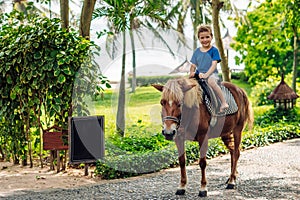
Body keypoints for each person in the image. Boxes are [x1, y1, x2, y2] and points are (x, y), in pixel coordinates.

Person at [189, 25, 229, 112]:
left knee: (211, 81)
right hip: (199, 75)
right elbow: (193, 65)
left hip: (212, 74)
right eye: (202, 38)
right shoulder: (197, 52)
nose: (205, 40)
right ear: (199, 39)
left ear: (211, 37)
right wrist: (191, 73)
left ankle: (223, 102)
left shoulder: (214, 50)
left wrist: (207, 74)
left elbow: (214, 64)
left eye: (207, 37)